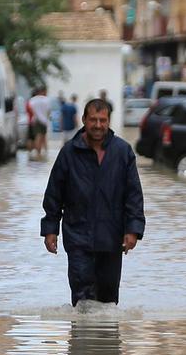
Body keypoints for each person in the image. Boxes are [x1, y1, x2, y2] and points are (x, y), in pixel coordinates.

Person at [41, 98, 145, 306]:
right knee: (82, 299)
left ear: (109, 121)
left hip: (111, 237)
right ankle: (82, 338)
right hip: (78, 236)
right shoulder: (69, 153)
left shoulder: (122, 152)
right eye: (93, 120)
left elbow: (133, 194)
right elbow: (54, 193)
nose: (98, 125)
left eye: (103, 120)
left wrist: (133, 229)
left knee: (108, 299)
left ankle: (105, 339)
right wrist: (50, 229)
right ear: (84, 120)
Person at [29, 87, 52, 159]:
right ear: (43, 91)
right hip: (44, 120)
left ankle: (38, 153)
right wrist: (47, 119)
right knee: (43, 137)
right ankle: (44, 152)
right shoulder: (46, 100)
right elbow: (49, 111)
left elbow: (30, 109)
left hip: (36, 120)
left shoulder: (32, 100)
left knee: (37, 137)